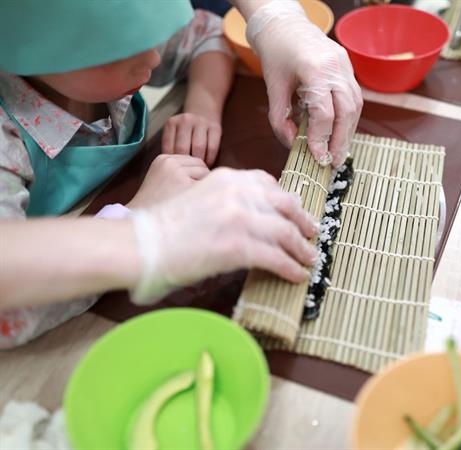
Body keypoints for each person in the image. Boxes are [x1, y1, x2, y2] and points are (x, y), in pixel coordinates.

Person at [0, 0, 362, 348]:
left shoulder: (124, 53)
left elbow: (207, 35)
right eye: (119, 51)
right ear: (34, 49)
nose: (153, 59)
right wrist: (136, 222)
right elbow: (12, 306)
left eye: (152, 38)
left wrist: (202, 108)